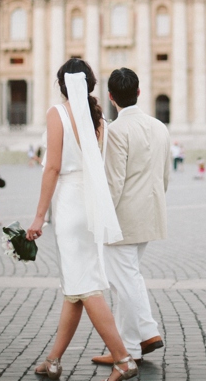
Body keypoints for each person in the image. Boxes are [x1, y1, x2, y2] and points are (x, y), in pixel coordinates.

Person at [26, 58, 137, 381]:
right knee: (75, 286)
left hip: (70, 205)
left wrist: (38, 217)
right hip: (90, 203)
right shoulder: (97, 117)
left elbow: (52, 167)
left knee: (86, 286)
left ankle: (123, 359)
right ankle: (54, 360)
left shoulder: (57, 113)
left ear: (62, 85)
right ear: (89, 84)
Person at [92, 67, 170, 368]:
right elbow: (165, 177)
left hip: (122, 219)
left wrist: (101, 220)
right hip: (150, 215)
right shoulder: (160, 127)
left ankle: (148, 332)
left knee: (124, 279)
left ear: (110, 97)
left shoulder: (116, 131)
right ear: (138, 92)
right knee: (124, 278)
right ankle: (128, 349)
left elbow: (113, 182)